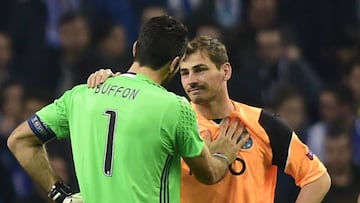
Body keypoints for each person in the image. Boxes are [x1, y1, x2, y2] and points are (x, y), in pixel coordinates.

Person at [7, 16, 249, 203]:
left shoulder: (81, 94)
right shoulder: (175, 108)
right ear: (176, 64)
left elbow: (19, 140)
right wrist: (223, 153)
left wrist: (60, 194)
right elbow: (209, 174)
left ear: (135, 49)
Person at [89, 35, 331, 203]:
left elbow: (317, 178)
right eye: (184, 73)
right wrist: (111, 81)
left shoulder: (262, 124)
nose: (191, 80)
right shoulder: (172, 120)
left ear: (225, 71)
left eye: (200, 70)